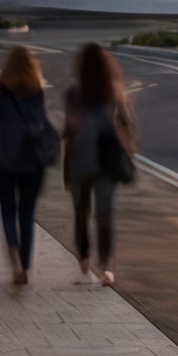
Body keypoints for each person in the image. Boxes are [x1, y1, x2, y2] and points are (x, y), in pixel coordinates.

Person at [62, 43, 136, 287]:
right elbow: (126, 123)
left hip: (81, 160)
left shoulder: (74, 91)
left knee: (81, 212)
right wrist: (128, 148)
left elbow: (69, 129)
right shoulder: (113, 90)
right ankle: (107, 267)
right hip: (106, 161)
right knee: (105, 215)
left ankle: (84, 256)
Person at [0, 47, 58, 288]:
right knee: (27, 213)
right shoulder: (36, 92)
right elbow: (40, 123)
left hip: (5, 160)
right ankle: (25, 266)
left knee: (7, 211)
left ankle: (15, 259)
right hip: (31, 162)